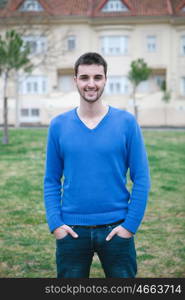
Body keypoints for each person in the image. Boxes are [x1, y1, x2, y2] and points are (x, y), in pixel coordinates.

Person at [44, 52, 150, 278]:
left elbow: (141, 178)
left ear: (105, 80)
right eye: (84, 77)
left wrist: (130, 226)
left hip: (117, 229)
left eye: (97, 77)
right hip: (71, 231)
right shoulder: (58, 126)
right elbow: (51, 180)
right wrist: (56, 224)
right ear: (75, 81)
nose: (91, 84)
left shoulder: (127, 123)